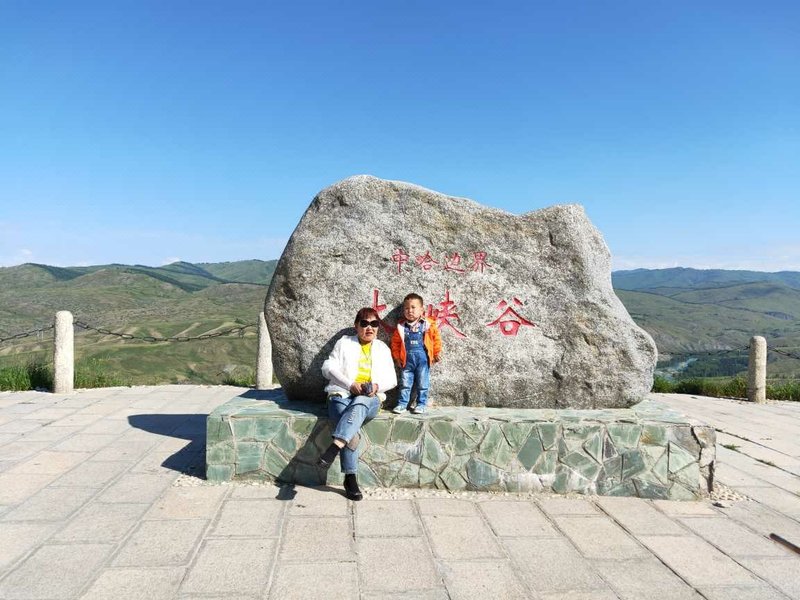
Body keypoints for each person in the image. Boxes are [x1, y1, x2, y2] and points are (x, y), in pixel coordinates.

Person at [318, 307, 397, 500]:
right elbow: (328, 367)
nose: (369, 328)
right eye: (364, 323)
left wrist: (376, 386)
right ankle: (350, 478)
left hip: (370, 399)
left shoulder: (382, 348)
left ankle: (335, 446)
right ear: (356, 326)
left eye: (374, 324)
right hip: (341, 394)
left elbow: (392, 380)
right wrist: (350, 384)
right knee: (350, 424)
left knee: (361, 401)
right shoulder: (344, 343)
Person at [390, 293, 442, 414]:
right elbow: (395, 343)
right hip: (406, 360)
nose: (410, 311)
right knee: (405, 383)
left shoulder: (427, 325)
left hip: (423, 360)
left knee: (423, 383)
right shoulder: (401, 327)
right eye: (406, 308)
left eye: (413, 307)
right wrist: (396, 357)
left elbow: (436, 339)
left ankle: (421, 404)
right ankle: (402, 404)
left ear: (422, 309)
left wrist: (436, 352)